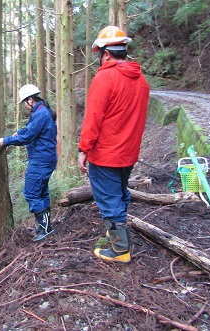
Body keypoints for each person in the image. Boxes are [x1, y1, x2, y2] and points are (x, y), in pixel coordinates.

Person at [78, 26, 150, 263]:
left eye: (98, 53)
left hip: (106, 154)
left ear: (105, 53)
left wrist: (84, 149)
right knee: (118, 194)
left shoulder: (104, 78)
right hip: (128, 153)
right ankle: (118, 234)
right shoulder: (141, 80)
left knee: (109, 200)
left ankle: (120, 251)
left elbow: (93, 119)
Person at [0, 84, 58, 242]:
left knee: (31, 193)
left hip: (41, 160)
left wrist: (7, 140)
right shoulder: (40, 112)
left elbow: (28, 137)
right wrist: (19, 132)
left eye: (24, 102)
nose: (24, 105)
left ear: (30, 100)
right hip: (45, 158)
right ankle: (45, 226)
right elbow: (29, 129)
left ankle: (45, 228)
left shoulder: (41, 114)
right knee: (41, 192)